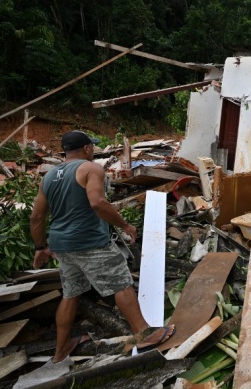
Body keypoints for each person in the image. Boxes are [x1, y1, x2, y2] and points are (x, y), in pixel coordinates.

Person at [30, 130, 175, 363]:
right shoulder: (91, 168)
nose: (94, 150)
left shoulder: (49, 177)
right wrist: (125, 225)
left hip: (62, 245)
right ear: (87, 148)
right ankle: (144, 334)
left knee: (71, 293)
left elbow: (36, 217)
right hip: (89, 242)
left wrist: (40, 247)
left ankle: (61, 350)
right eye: (92, 147)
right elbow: (97, 202)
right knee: (121, 284)